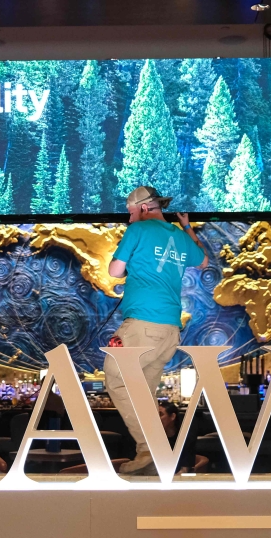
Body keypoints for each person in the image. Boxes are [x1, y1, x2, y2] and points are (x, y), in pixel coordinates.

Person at [105, 186, 208, 475]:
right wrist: (187, 227)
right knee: (143, 393)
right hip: (170, 330)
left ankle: (149, 448)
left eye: (130, 212)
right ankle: (155, 453)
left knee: (116, 379)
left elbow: (114, 271)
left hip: (143, 324)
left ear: (143, 208)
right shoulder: (179, 235)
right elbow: (203, 261)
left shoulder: (138, 230)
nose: (129, 219)